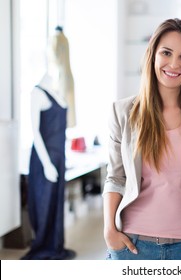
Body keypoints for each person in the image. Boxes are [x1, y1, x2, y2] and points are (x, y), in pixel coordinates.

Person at [103, 18, 181, 260]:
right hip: (132, 246)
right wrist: (109, 230)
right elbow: (116, 178)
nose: (174, 64)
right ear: (153, 54)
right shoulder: (122, 112)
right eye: (166, 53)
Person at [21, 26, 76, 260]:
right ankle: (43, 246)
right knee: (43, 205)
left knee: (56, 205)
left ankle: (55, 245)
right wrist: (46, 164)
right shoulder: (37, 93)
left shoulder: (57, 92)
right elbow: (36, 132)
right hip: (44, 159)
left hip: (59, 156)